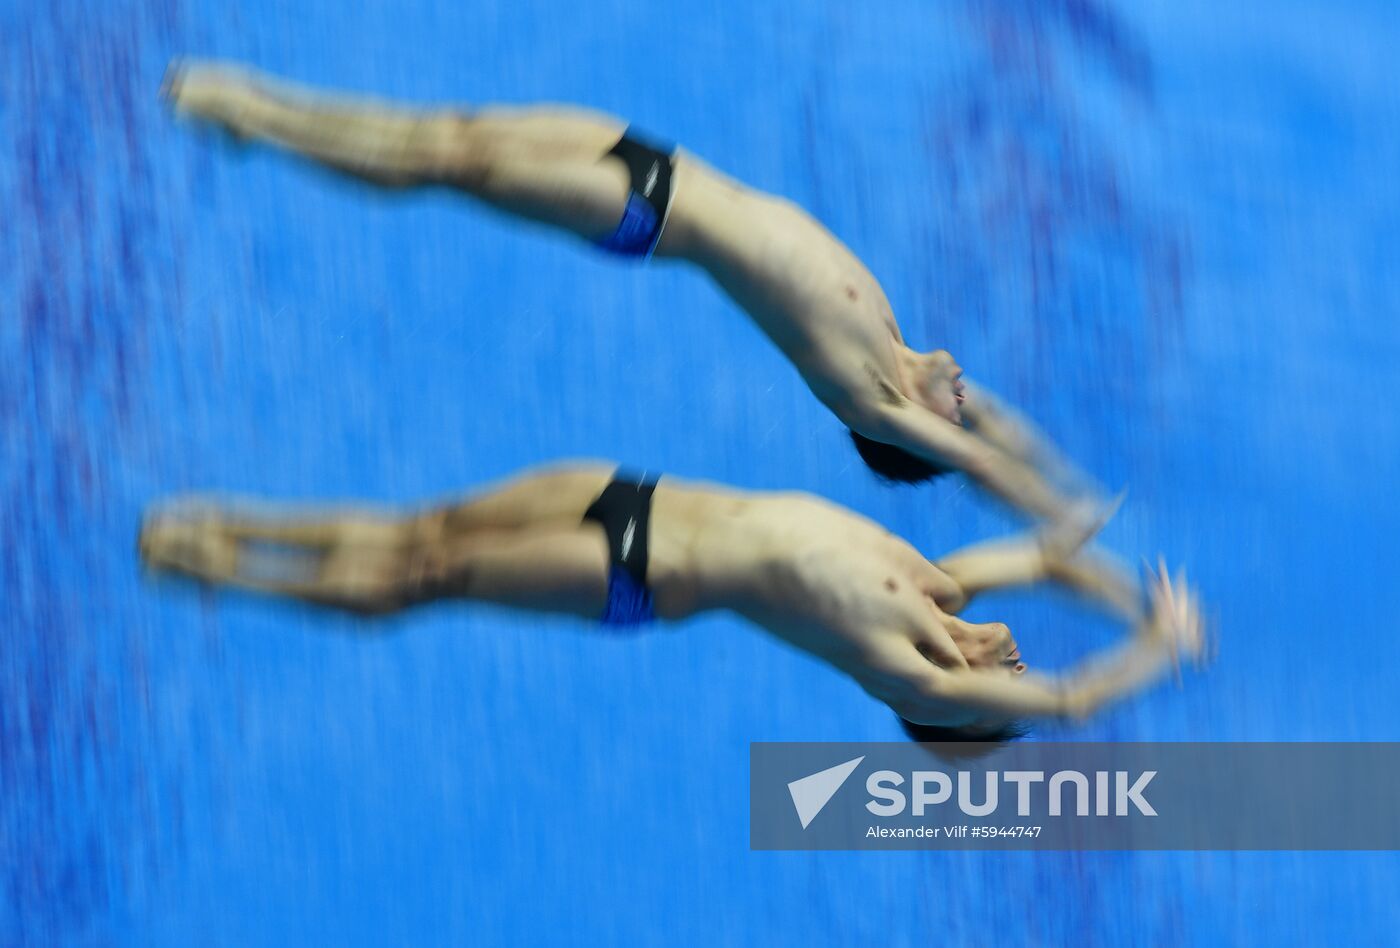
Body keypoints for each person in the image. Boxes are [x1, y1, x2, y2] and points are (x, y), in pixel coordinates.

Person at [161, 61, 1099, 521]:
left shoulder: (868, 394)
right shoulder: (895, 337)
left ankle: (259, 122)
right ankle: (264, 106)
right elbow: (1001, 433)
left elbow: (980, 459)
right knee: (447, 128)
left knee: (448, 163)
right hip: (653, 156)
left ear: (911, 432)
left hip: (642, 216)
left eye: (958, 413)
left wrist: (1057, 518)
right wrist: (1072, 477)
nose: (972, 393)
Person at [139, 463, 1205, 745]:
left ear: (966, 698)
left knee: (432, 580)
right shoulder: (945, 588)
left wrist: (1156, 649)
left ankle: (224, 571)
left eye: (1005, 681)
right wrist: (1116, 581)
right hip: (637, 495)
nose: (1020, 660)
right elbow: (1042, 554)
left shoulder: (904, 667)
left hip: (635, 578)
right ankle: (236, 517)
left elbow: (1066, 706)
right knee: (432, 529)